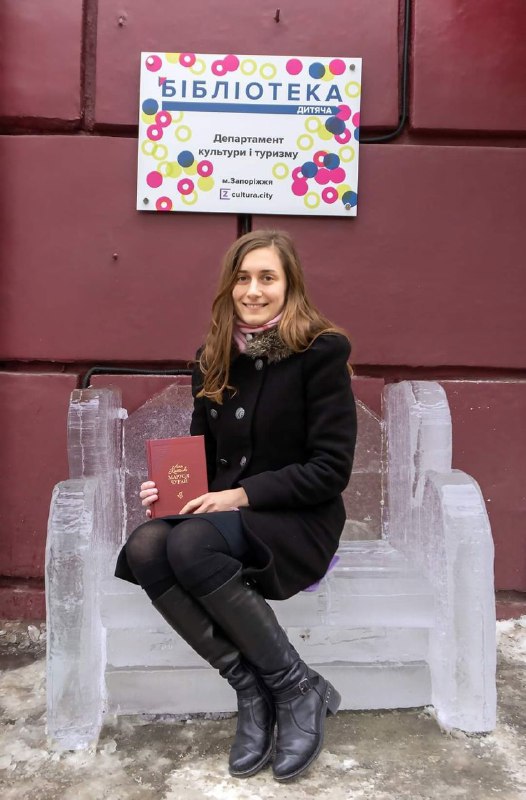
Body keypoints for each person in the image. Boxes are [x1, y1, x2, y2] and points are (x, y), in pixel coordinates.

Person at [115, 229, 357, 781]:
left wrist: (241, 494)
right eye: (242, 278)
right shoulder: (213, 358)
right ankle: (252, 690)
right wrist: (168, 490)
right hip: (230, 515)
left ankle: (294, 689)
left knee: (191, 544)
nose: (253, 290)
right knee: (149, 545)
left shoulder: (320, 352)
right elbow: (200, 454)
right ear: (229, 286)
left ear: (290, 285)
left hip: (298, 519)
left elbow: (330, 469)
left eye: (267, 278)